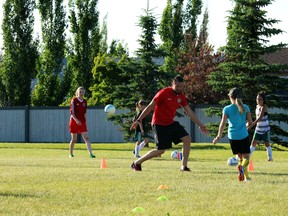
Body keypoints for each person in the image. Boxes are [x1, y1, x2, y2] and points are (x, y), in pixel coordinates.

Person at [130, 75, 209, 171]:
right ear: (173, 84)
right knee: (161, 151)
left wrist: (200, 125)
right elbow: (150, 106)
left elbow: (189, 111)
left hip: (170, 123)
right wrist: (139, 120)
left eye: (181, 87)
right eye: (178, 86)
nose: (180, 89)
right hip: (159, 124)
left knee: (187, 139)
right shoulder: (164, 92)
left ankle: (183, 166)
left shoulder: (181, 96)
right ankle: (137, 163)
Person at [213, 87, 253, 181]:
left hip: (232, 137)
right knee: (246, 158)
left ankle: (246, 177)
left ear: (230, 96)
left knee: (240, 158)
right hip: (243, 135)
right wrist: (246, 125)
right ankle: (242, 169)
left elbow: (222, 124)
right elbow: (251, 123)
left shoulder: (227, 109)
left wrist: (218, 136)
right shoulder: (246, 107)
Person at [69, 87, 95, 158]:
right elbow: (72, 113)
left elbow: (84, 113)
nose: (81, 93)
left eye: (83, 92)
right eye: (80, 92)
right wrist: (76, 120)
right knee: (74, 139)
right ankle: (71, 154)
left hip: (82, 122)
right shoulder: (73, 100)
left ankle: (91, 154)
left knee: (86, 138)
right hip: (74, 121)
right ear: (77, 92)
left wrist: (84, 121)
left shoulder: (85, 102)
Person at [248, 92, 273, 161]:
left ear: (263, 100)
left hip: (265, 129)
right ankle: (248, 157)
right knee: (253, 143)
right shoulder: (257, 107)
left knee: (267, 144)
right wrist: (249, 122)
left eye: (260, 99)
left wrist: (251, 125)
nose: (258, 101)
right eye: (257, 99)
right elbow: (256, 117)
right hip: (258, 129)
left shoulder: (263, 107)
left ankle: (270, 158)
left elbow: (260, 118)